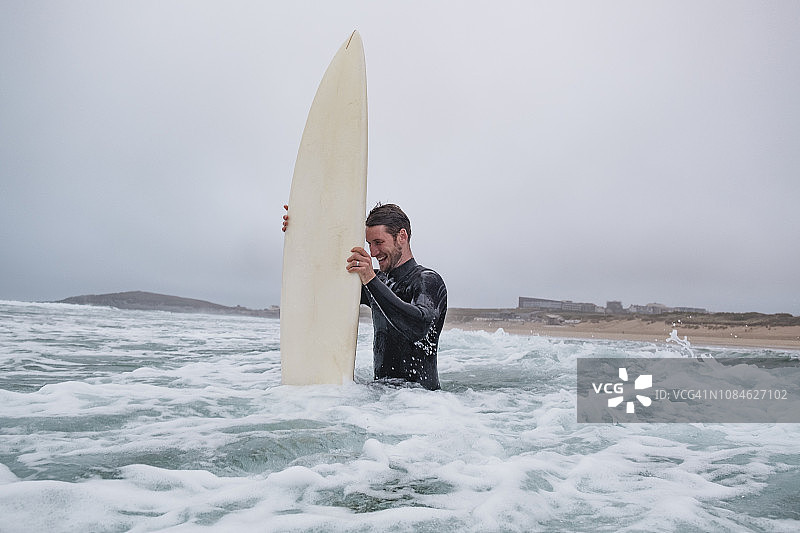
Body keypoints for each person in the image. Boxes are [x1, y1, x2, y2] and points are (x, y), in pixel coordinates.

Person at [283, 203, 447, 390]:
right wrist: (300, 232)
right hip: (380, 399)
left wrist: (370, 279)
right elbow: (323, 280)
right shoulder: (377, 281)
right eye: (369, 244)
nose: (373, 252)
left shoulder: (428, 280)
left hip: (422, 404)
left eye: (378, 242)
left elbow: (419, 326)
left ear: (402, 236)